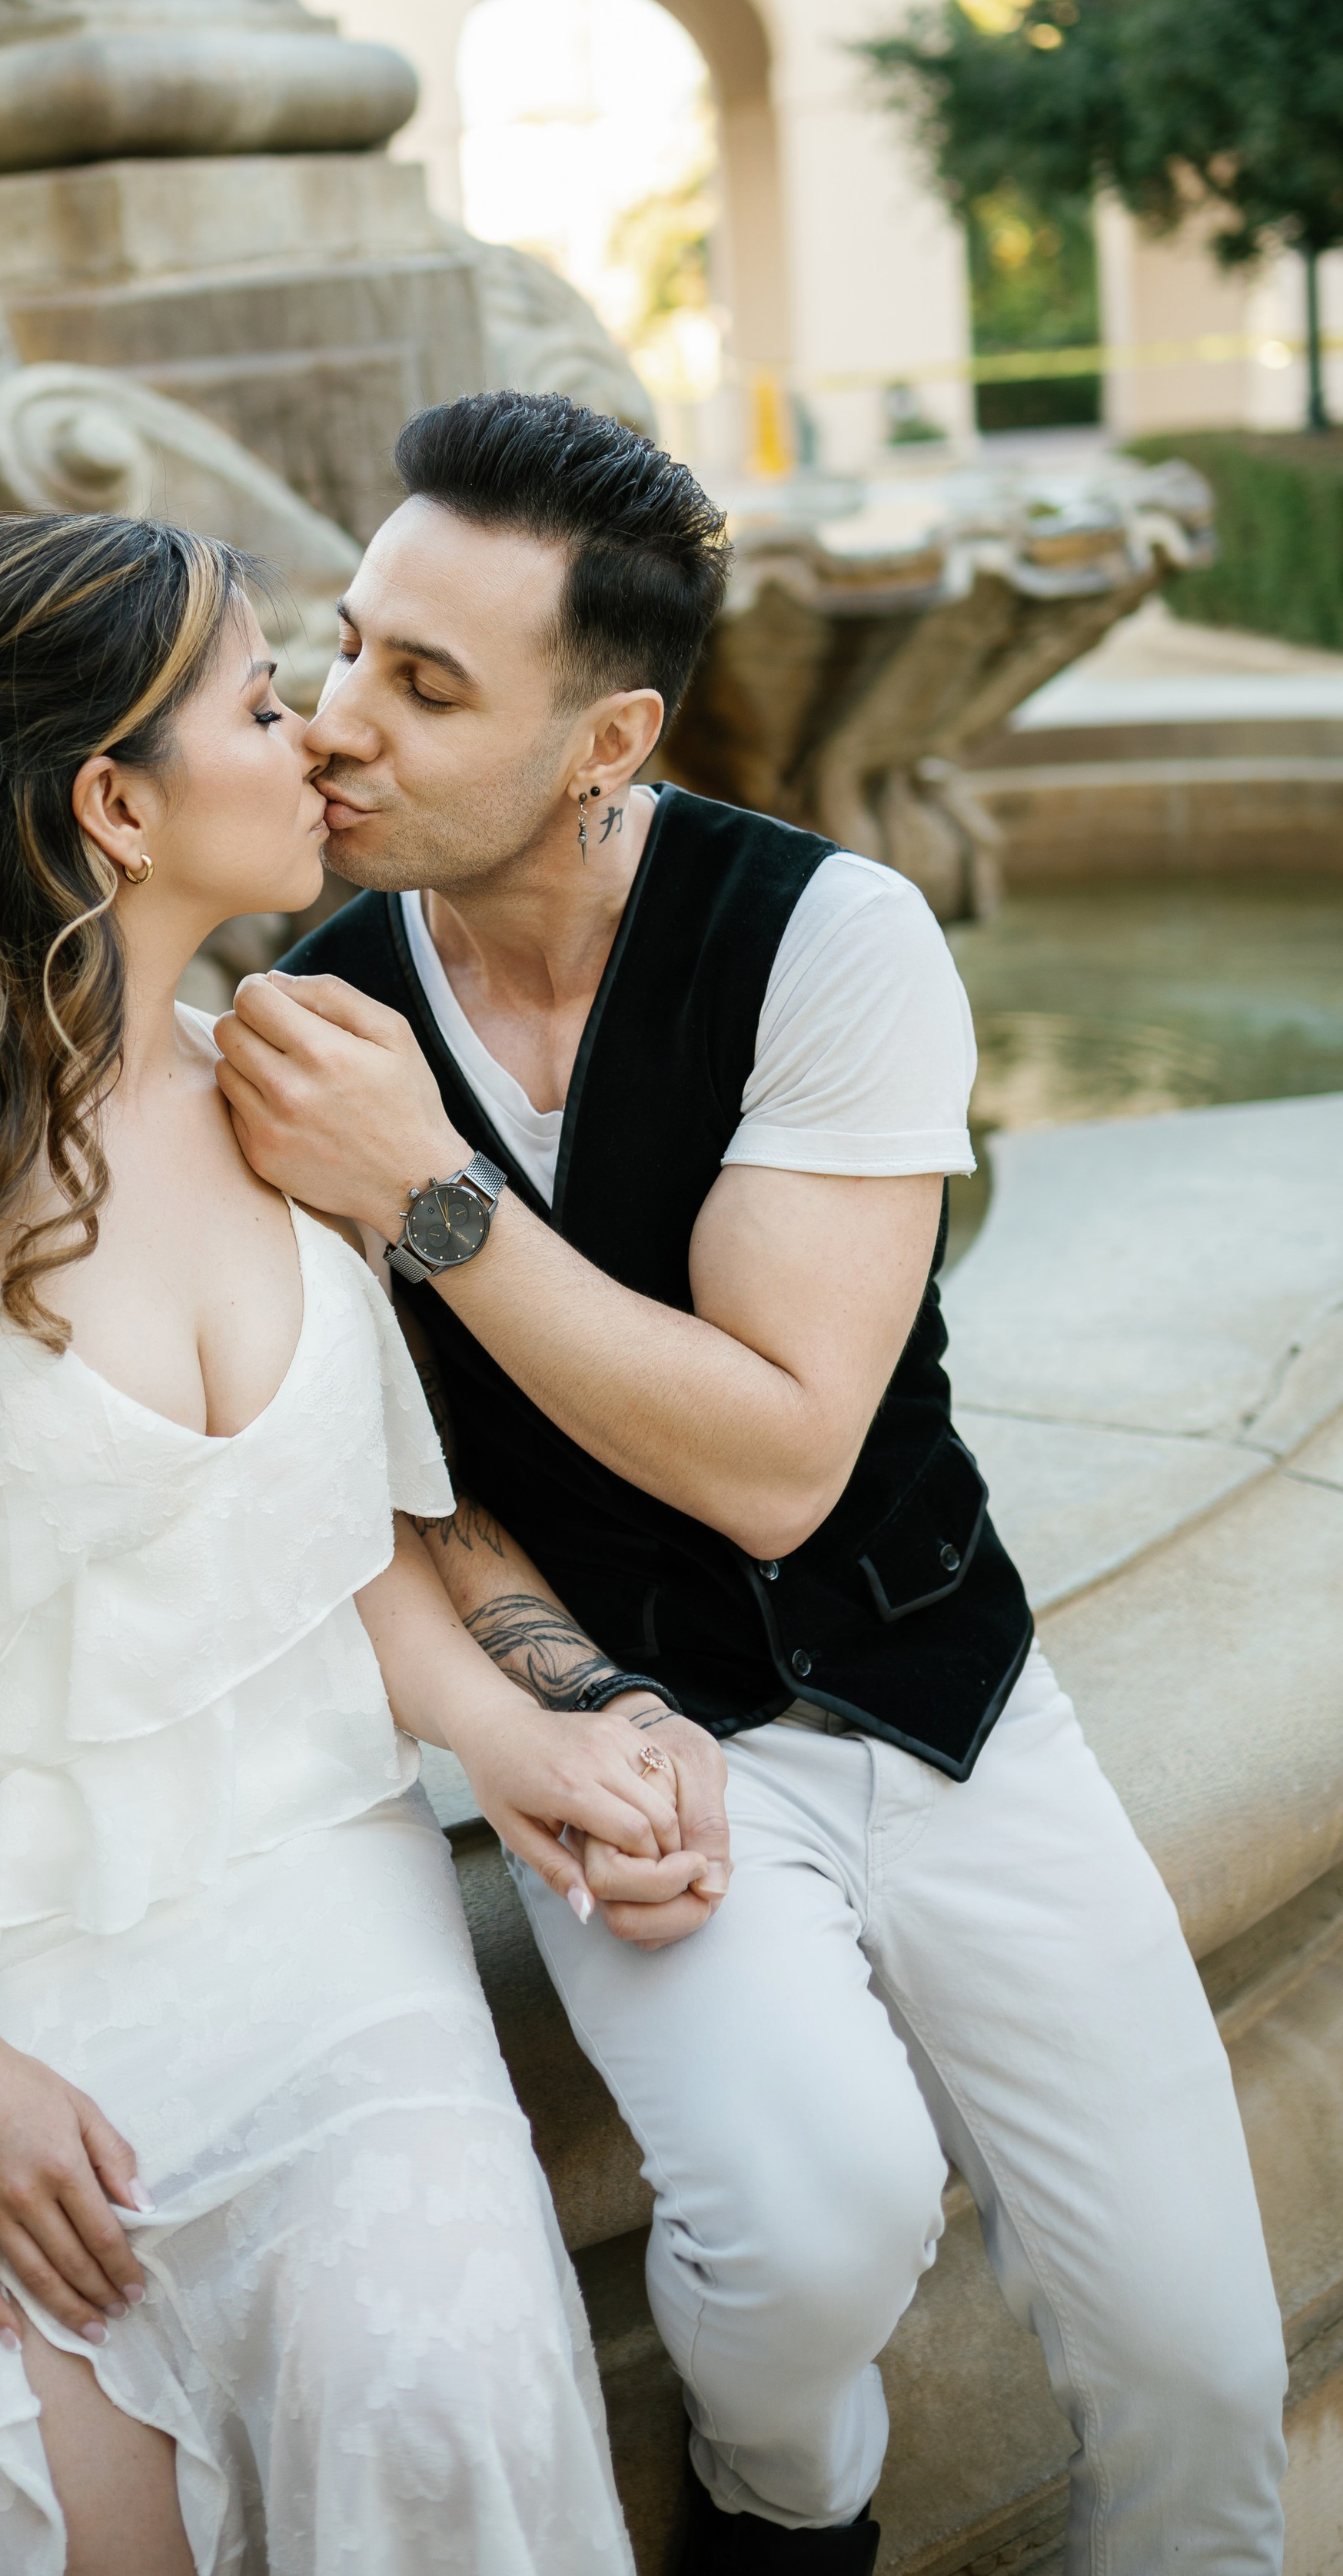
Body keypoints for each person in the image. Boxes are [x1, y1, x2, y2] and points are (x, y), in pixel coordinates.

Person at [214, 388, 1290, 2575]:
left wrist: (428, 1193)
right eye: (346, 647)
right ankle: (778, 2516)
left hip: (951, 1705)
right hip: (644, 1735)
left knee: (1202, 2371)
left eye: (429, 686)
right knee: (808, 2242)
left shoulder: (830, 939)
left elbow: (787, 1459)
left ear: (606, 742)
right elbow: (396, 1486)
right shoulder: (313, 1021)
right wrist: (568, 1709)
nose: (339, 723)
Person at [0, 512, 676, 2576]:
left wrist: (516, 1734)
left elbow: (326, 1542)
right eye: (269, 706)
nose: (324, 745)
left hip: (309, 1891)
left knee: (446, 2402)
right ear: (116, 807)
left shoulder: (294, 1096)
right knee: (83, 2524)